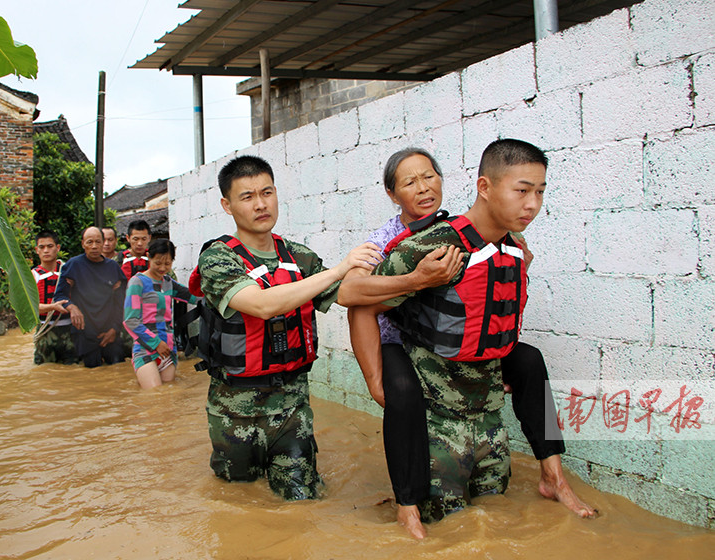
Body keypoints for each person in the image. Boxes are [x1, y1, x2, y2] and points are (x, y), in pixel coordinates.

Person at [341, 142, 595, 537]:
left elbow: (496, 305)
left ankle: (553, 476)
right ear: (485, 187)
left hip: (470, 358)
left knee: (530, 360)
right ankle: (406, 506)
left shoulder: (510, 246)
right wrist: (375, 378)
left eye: (540, 192)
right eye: (522, 190)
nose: (532, 204)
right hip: (401, 343)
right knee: (402, 394)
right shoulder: (428, 244)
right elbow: (355, 299)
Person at [194, 155, 382, 501]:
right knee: (236, 502)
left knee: (303, 501)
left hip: (292, 407)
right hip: (234, 411)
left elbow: (347, 294)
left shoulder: (299, 256)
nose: (261, 204)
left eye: (267, 192)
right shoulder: (218, 259)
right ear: (227, 205)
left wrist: (414, 278)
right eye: (247, 196)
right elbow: (262, 305)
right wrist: (340, 269)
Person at [123, 239, 199, 389]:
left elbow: (195, 297)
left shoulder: (168, 282)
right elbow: (130, 320)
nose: (163, 268)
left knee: (168, 396)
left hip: (168, 350)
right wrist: (156, 343)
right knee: (155, 395)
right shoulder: (137, 282)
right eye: (158, 263)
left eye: (168, 264)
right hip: (146, 349)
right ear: (149, 257)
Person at [54, 226, 128, 368]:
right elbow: (59, 296)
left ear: (102, 243)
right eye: (89, 242)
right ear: (83, 244)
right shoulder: (72, 266)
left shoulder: (113, 268)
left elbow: (121, 302)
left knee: (117, 369)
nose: (94, 246)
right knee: (91, 373)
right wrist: (72, 307)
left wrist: (114, 329)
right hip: (84, 330)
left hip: (110, 329)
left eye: (97, 242)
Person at [32, 230, 77, 365]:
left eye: (50, 246)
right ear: (36, 250)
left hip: (69, 331)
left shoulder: (70, 272)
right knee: (43, 372)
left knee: (73, 370)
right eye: (42, 247)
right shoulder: (32, 276)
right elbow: (31, 308)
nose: (46, 251)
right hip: (45, 331)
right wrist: (52, 307)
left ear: (57, 248)